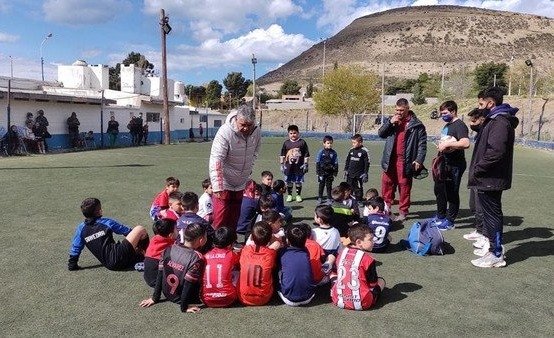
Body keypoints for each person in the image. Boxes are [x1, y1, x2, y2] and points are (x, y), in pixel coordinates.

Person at [468, 87, 518, 268]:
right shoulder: (494, 120)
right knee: (490, 215)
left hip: (491, 178)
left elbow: (495, 152)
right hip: (488, 177)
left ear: (491, 103)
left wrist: (478, 169)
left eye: (482, 104)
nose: (479, 107)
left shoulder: (500, 122)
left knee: (492, 215)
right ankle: (492, 249)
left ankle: (496, 254)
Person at [209, 105, 261, 232]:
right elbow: (216, 159)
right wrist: (217, 185)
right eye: (242, 124)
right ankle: (217, 246)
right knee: (220, 218)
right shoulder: (225, 131)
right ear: (236, 119)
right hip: (224, 182)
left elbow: (255, 152)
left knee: (234, 217)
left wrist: (248, 170)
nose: (246, 128)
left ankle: (230, 243)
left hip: (240, 183)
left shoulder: (256, 131)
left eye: (249, 125)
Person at [139, 223, 206, 313]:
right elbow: (188, 284)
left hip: (167, 293)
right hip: (185, 298)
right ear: (201, 240)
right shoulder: (197, 258)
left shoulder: (168, 249)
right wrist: (184, 307)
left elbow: (160, 274)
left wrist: (155, 298)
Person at [378, 98, 427, 221]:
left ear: (407, 109)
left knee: (404, 186)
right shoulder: (392, 120)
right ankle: (386, 208)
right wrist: (390, 122)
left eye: (401, 110)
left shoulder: (417, 125)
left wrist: (419, 159)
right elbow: (381, 134)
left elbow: (422, 144)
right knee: (386, 183)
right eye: (397, 110)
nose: (398, 112)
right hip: (390, 158)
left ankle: (403, 211)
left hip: (406, 160)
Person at [68, 198, 149, 271]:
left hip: (110, 265)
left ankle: (139, 256)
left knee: (129, 247)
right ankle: (150, 257)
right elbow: (127, 232)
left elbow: (76, 247)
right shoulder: (106, 222)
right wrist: (138, 245)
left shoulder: (81, 228)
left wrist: (72, 264)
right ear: (97, 211)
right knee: (139, 229)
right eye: (100, 208)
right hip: (119, 256)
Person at [433, 100, 470, 230]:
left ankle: (450, 220)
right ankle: (440, 216)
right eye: (441, 113)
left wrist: (447, 145)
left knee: (451, 192)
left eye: (445, 113)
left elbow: (465, 143)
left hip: (455, 165)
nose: (443, 115)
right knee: (439, 190)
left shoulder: (459, 125)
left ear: (453, 111)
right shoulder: (448, 125)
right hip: (444, 163)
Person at [331, 224, 386, 310]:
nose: (373, 242)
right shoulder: (368, 259)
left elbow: (335, 273)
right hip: (363, 303)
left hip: (337, 300)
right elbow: (372, 284)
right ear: (359, 242)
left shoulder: (341, 253)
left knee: (333, 275)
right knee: (381, 281)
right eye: (370, 240)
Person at [238, 221, 278, 306]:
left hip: (243, 297)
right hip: (264, 298)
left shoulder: (245, 250)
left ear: (252, 237)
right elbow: (275, 246)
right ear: (270, 237)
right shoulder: (270, 254)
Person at [463, 108, 488, 242]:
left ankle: (485, 235)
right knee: (474, 205)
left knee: (481, 207)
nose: (471, 124)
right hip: (476, 174)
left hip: (483, 176)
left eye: (474, 121)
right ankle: (479, 230)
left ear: (482, 120)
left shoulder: (488, 132)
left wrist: (479, 168)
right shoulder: (480, 133)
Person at [201, 227, 240, 308]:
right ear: (230, 245)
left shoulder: (205, 256)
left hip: (207, 299)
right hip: (228, 298)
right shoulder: (232, 255)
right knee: (238, 271)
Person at [277, 224, 315, 306]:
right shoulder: (306, 252)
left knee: (278, 270)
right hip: (309, 296)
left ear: (288, 240)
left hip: (288, 298)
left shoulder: (283, 252)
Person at [280, 124, 310, 202]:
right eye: (291, 133)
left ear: (298, 133)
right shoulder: (286, 143)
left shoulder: (302, 142)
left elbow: (306, 154)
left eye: (294, 133)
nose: (293, 135)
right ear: (288, 134)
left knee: (298, 182)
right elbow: (282, 154)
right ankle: (289, 195)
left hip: (299, 167)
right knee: (289, 182)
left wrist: (306, 164)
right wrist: (282, 164)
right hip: (288, 167)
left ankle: (298, 195)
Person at [143, 219, 176, 287]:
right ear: (170, 235)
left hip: (148, 277)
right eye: (177, 229)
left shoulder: (154, 239)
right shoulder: (170, 246)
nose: (178, 231)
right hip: (159, 282)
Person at [344, 134, 370, 201]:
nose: (353, 144)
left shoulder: (364, 151)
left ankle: (359, 200)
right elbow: (347, 160)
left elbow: (367, 163)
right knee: (349, 187)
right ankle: (349, 199)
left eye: (354, 142)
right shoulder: (351, 150)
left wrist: (365, 173)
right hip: (350, 174)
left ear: (360, 142)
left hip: (359, 174)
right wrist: (346, 169)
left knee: (358, 188)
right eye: (352, 142)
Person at [316, 135, 339, 204]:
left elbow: (336, 162)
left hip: (330, 172)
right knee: (321, 185)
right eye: (328, 143)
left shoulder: (334, 153)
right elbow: (318, 162)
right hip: (322, 172)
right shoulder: (321, 152)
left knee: (329, 185)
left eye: (331, 143)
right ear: (324, 143)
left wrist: (335, 172)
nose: (330, 145)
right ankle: (320, 197)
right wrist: (318, 172)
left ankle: (329, 198)